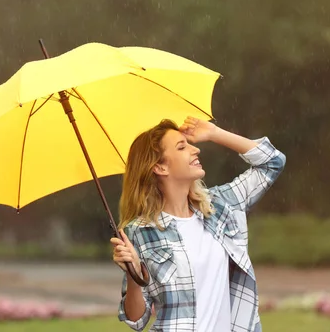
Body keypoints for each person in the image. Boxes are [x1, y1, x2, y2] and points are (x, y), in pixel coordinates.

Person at [110, 116, 286, 332]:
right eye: (182, 147)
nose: (196, 150)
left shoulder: (220, 206)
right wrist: (133, 275)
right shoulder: (138, 232)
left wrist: (215, 133)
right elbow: (136, 320)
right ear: (160, 168)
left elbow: (272, 162)